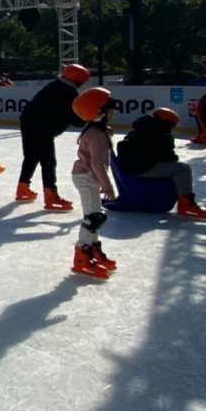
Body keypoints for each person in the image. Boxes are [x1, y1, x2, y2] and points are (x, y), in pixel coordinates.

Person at [14, 63, 90, 208]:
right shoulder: (68, 93)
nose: (81, 85)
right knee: (48, 161)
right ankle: (51, 196)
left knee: (31, 157)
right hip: (42, 127)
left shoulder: (55, 85)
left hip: (28, 122)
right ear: (76, 80)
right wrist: (89, 120)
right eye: (81, 82)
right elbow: (74, 117)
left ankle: (22, 189)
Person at [115, 108, 206, 219]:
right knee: (182, 169)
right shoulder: (160, 135)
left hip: (130, 167)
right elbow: (171, 158)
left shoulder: (141, 129)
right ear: (166, 123)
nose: (172, 128)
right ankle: (185, 204)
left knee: (175, 167)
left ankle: (183, 201)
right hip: (141, 169)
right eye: (172, 125)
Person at [70, 87, 118, 278]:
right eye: (110, 110)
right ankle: (81, 257)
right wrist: (106, 184)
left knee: (96, 216)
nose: (113, 113)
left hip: (89, 176)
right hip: (86, 177)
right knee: (92, 218)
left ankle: (94, 251)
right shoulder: (96, 135)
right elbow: (96, 163)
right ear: (99, 112)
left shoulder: (96, 131)